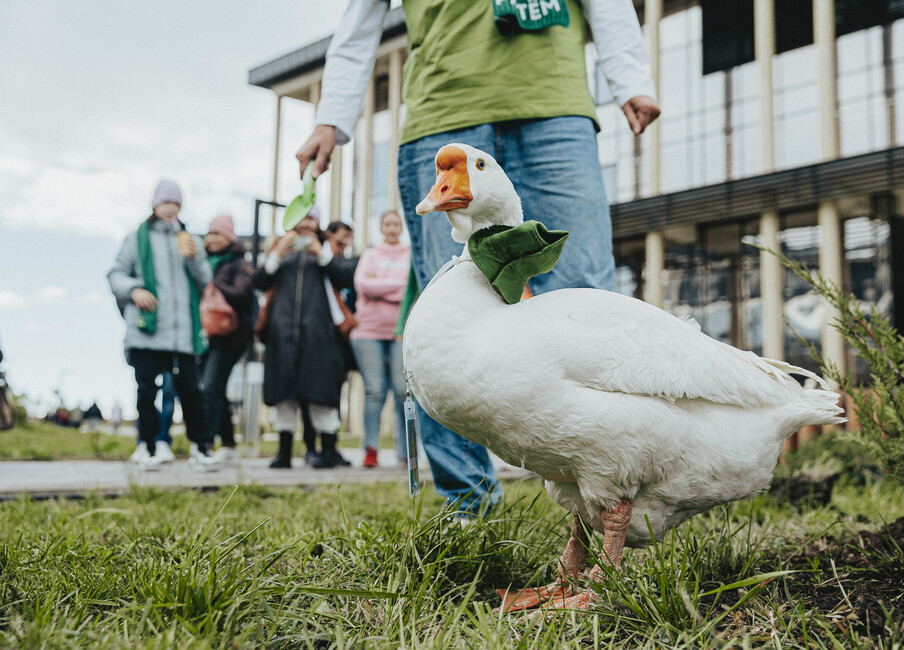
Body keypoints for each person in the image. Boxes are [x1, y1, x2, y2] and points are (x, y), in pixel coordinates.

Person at [296, 0, 660, 516]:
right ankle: (469, 505)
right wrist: (331, 117)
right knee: (448, 316)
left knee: (588, 291)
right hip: (445, 105)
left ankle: (613, 496)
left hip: (552, 102)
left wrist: (630, 77)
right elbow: (359, 19)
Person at [107, 179, 219, 471]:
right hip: (147, 331)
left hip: (182, 334)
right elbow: (116, 274)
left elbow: (205, 280)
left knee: (191, 392)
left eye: (177, 203)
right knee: (147, 391)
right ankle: (147, 444)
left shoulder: (189, 238)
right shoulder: (136, 238)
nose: (171, 207)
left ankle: (201, 447)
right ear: (155, 205)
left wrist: (195, 257)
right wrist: (134, 290)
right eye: (166, 202)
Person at [254, 205, 354, 469]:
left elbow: (345, 278)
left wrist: (321, 253)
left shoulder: (327, 248)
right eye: (301, 217)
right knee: (284, 393)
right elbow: (259, 281)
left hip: (320, 335)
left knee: (320, 392)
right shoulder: (281, 247)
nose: (306, 224)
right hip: (281, 333)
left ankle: (329, 450)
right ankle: (283, 452)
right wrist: (277, 254)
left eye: (311, 218)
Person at [349, 211, 411, 468]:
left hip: (400, 332)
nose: (392, 227)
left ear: (401, 227)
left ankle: (405, 452)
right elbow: (363, 286)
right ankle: (371, 449)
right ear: (381, 227)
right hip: (367, 333)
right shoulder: (370, 255)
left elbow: (411, 285)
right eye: (387, 223)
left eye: (396, 223)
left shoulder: (410, 254)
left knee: (401, 391)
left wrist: (380, 285)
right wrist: (396, 288)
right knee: (374, 392)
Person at [202, 214, 255, 464]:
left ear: (229, 237)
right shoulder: (205, 262)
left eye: (217, 234)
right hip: (207, 335)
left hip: (231, 336)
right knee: (215, 389)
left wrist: (214, 286)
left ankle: (206, 444)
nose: (211, 239)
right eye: (209, 233)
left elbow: (244, 294)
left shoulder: (239, 264)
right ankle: (228, 443)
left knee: (211, 386)